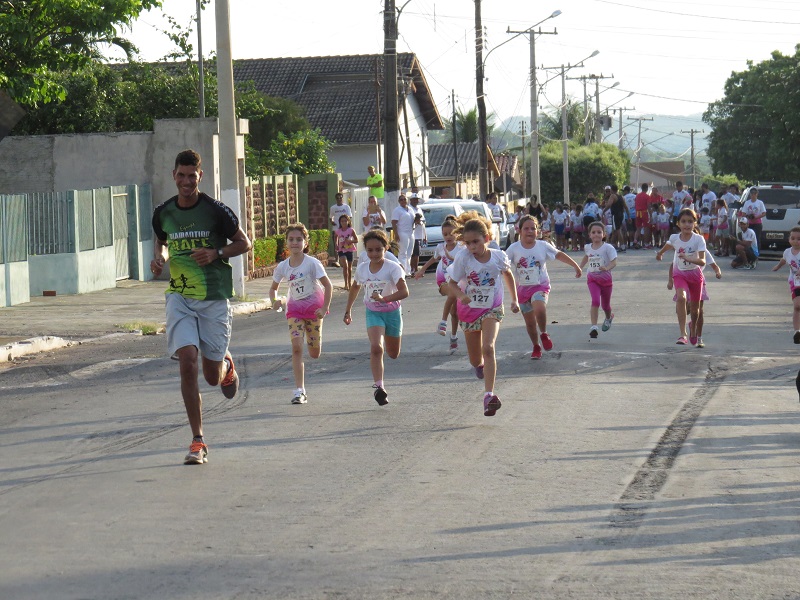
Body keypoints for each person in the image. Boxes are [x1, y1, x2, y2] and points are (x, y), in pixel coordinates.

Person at [151, 149, 252, 465]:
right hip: (179, 297)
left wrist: (216, 253)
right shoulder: (163, 212)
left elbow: (244, 243)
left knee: (210, 376)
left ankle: (226, 367)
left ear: (200, 176)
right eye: (181, 175)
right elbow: (162, 242)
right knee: (187, 362)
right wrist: (160, 259)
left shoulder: (216, 211)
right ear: (174, 175)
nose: (186, 181)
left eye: (191, 176)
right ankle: (197, 440)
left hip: (212, 299)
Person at [446, 211, 519, 416]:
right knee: (475, 359)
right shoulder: (463, 258)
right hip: (469, 310)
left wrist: (514, 300)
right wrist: (461, 295)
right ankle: (479, 366)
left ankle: (489, 396)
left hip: (492, 308)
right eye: (468, 243)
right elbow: (452, 283)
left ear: (486, 238)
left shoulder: (498, 256)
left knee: (488, 347)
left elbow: (508, 274)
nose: (472, 247)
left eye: (476, 242)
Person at [344, 228, 409, 405]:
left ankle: (380, 382)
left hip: (392, 312)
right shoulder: (362, 269)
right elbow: (355, 287)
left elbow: (404, 292)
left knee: (393, 353)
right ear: (365, 250)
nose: (374, 254)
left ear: (386, 248)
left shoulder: (393, 268)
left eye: (378, 250)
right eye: (370, 250)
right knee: (376, 348)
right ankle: (379, 387)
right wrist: (348, 310)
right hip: (373, 312)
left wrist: (385, 298)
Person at [269, 223, 333, 404]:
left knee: (314, 353)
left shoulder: (312, 263)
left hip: (314, 311)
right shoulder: (283, 266)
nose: (295, 243)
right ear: (286, 243)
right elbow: (273, 289)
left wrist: (324, 308)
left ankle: (315, 342)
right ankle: (299, 391)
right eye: (291, 239)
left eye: (298, 239)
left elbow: (328, 286)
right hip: (294, 311)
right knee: (296, 347)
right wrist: (274, 301)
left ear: (305, 242)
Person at [506, 215, 581, 359]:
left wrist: (575, 265)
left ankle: (544, 333)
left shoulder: (542, 246)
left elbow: (559, 254)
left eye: (533, 228)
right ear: (519, 231)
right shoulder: (513, 248)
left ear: (538, 231)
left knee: (539, 308)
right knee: (530, 324)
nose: (530, 231)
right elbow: (503, 264)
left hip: (540, 286)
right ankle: (536, 346)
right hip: (522, 290)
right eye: (526, 228)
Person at [656, 208, 706, 346]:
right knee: (681, 298)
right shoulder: (675, 238)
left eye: (690, 221)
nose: (687, 225)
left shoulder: (698, 239)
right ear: (678, 223)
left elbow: (702, 261)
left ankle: (693, 328)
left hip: (695, 275)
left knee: (695, 311)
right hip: (680, 273)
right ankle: (683, 334)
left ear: (695, 223)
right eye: (683, 221)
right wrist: (660, 253)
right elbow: (667, 246)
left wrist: (689, 258)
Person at [414, 214, 463, 352]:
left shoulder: (461, 248)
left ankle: (453, 338)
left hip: (458, 281)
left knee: (455, 312)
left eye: (451, 233)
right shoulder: (440, 247)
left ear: (457, 233)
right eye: (445, 234)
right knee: (452, 293)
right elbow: (433, 259)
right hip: (443, 280)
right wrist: (422, 269)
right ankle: (443, 322)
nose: (448, 237)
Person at [668, 247, 722, 349]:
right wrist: (670, 281)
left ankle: (699, 338)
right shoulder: (682, 249)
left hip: (697, 280)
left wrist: (718, 272)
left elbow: (715, 266)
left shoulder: (703, 251)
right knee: (685, 309)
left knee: (699, 311)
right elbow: (673, 265)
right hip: (684, 280)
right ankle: (689, 326)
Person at [579, 221, 617, 339]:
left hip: (606, 281)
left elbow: (614, 262)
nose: (596, 234)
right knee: (595, 301)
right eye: (594, 232)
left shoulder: (608, 248)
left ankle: (608, 317)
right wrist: (579, 268)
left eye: (599, 232)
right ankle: (594, 327)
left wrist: (607, 268)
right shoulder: (587, 247)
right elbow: (586, 256)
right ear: (589, 235)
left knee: (606, 306)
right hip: (592, 279)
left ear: (604, 234)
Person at [772, 227, 800, 344]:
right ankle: (797, 331)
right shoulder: (787, 252)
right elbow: (784, 260)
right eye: (793, 238)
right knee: (797, 306)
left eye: (799, 239)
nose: (795, 241)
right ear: (789, 239)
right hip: (795, 282)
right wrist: (778, 266)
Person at [391, 194, 416, 276]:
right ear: (399, 201)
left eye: (404, 199)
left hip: (410, 232)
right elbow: (394, 223)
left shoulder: (410, 209)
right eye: (401, 200)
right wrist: (396, 234)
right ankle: (402, 271)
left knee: (409, 253)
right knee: (402, 253)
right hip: (402, 232)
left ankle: (408, 271)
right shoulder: (397, 210)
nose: (403, 201)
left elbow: (413, 220)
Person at [329, 192, 352, 268]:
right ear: (336, 199)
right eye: (337, 198)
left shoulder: (346, 207)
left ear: (342, 198)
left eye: (340, 198)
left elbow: (349, 217)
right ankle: (337, 260)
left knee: (345, 243)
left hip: (345, 229)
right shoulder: (333, 208)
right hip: (336, 229)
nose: (339, 199)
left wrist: (348, 226)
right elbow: (330, 217)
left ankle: (345, 259)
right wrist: (332, 222)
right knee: (336, 244)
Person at [334, 214, 357, 290]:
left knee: (349, 268)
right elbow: (335, 236)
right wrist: (336, 244)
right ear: (340, 222)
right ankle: (346, 284)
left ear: (348, 221)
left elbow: (356, 240)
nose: (343, 223)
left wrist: (351, 241)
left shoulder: (351, 230)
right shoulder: (338, 231)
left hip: (349, 250)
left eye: (345, 221)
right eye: (342, 221)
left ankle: (349, 283)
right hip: (341, 250)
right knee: (345, 266)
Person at [409, 193, 427, 274]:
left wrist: (425, 236)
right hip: (413, 234)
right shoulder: (409, 209)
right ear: (411, 200)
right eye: (414, 199)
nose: (415, 201)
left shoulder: (419, 208)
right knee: (413, 253)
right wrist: (415, 222)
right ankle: (413, 269)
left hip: (420, 234)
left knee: (417, 253)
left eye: (416, 199)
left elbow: (424, 221)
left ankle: (415, 269)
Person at [633, 183, 652, 248]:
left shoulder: (637, 196)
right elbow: (648, 206)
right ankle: (646, 243)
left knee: (638, 228)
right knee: (646, 228)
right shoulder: (647, 196)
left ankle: (636, 241)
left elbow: (635, 204)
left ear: (641, 188)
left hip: (637, 213)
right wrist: (651, 215)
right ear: (647, 188)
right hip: (644, 213)